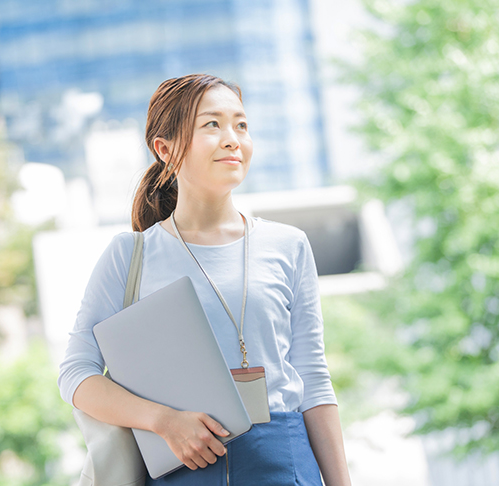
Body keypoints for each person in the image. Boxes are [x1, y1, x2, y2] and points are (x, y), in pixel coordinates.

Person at [58, 73, 351, 485]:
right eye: (212, 124)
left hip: (285, 465)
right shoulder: (130, 256)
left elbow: (314, 380)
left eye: (241, 125)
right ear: (165, 148)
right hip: (183, 468)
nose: (233, 138)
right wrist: (163, 421)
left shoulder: (289, 245)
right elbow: (76, 375)